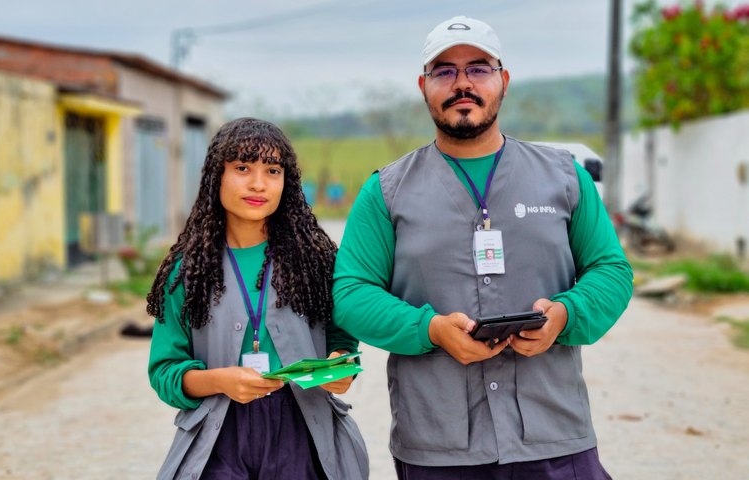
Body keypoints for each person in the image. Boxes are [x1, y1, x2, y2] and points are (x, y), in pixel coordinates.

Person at [332, 16, 633, 480]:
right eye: (445, 71)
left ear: (503, 80)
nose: (462, 84)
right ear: (423, 85)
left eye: (478, 68)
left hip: (553, 435)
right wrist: (429, 329)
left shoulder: (565, 177)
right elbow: (351, 293)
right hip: (437, 444)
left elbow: (610, 269)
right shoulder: (385, 192)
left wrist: (564, 316)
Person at [147, 118, 368, 480]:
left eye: (273, 170)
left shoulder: (318, 261)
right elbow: (165, 372)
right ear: (216, 176)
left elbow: (343, 341)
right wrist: (220, 380)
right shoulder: (186, 272)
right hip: (219, 438)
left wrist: (340, 367)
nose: (258, 183)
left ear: (287, 182)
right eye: (243, 168)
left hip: (302, 433)